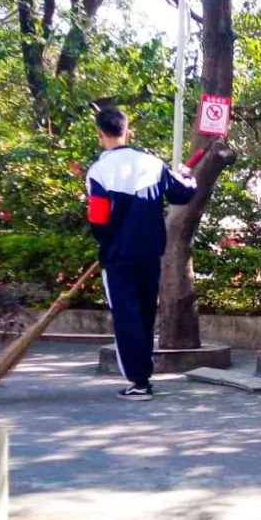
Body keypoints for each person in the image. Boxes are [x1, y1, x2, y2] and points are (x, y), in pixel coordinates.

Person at [86, 107, 197, 400]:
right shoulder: (153, 164)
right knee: (145, 315)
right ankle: (142, 378)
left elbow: (97, 221)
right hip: (150, 254)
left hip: (117, 257)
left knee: (127, 318)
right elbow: (182, 194)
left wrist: (107, 243)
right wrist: (186, 177)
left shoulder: (98, 172)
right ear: (128, 132)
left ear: (100, 134)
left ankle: (139, 382)